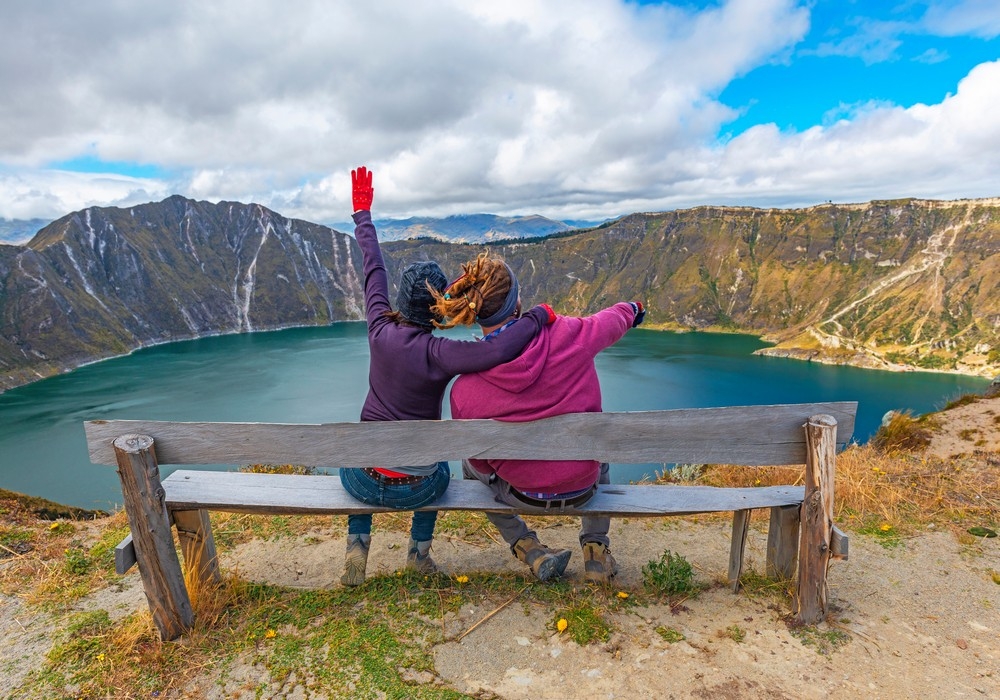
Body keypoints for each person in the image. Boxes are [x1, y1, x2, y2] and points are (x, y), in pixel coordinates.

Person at [339, 166, 555, 587]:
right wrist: (537, 316)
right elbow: (499, 348)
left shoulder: (379, 327)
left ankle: (356, 550)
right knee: (439, 468)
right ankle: (418, 556)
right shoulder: (440, 353)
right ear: (439, 306)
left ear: (399, 298)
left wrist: (362, 213)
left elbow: (373, 267)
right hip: (418, 487)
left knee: (354, 451)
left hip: (362, 482)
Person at [431, 252, 645, 584]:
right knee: (599, 451)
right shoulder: (569, 334)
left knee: (471, 464)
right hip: (582, 487)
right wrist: (632, 310)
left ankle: (527, 546)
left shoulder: (465, 389)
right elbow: (611, 321)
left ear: (474, 314)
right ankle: (596, 550)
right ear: (516, 302)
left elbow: (484, 464)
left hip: (521, 492)